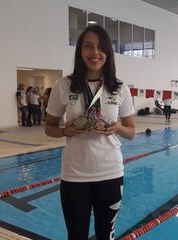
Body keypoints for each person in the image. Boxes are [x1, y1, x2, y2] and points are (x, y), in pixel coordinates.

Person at [44, 25, 135, 240]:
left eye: (101, 47)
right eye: (88, 46)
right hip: (74, 175)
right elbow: (49, 127)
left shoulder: (119, 87)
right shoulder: (63, 85)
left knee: (106, 236)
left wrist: (117, 127)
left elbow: (131, 132)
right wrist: (68, 131)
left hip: (110, 173)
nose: (95, 53)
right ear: (80, 51)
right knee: (76, 236)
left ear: (108, 53)